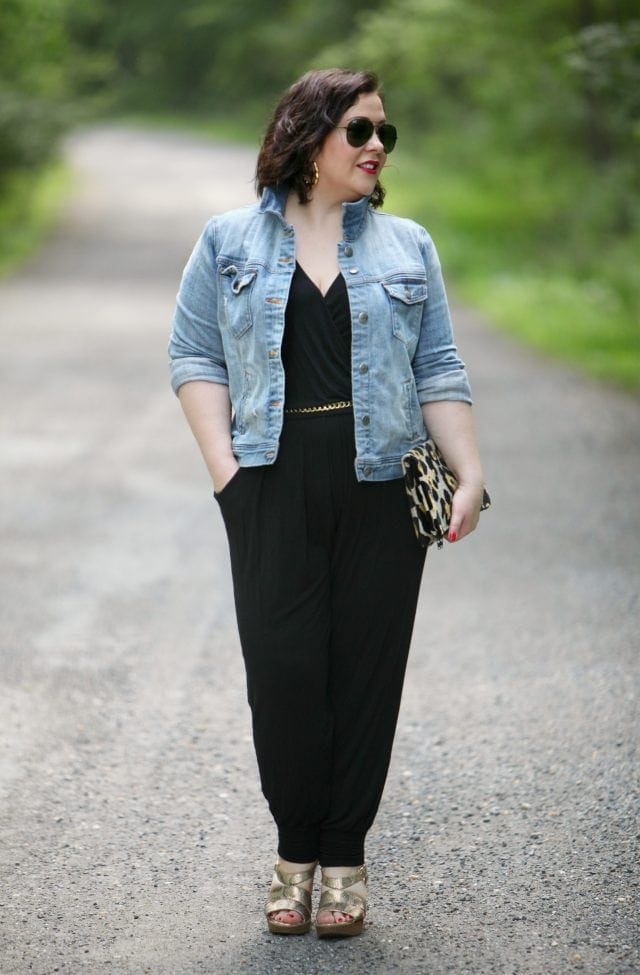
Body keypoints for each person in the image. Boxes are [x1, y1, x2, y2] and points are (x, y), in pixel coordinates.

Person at [168, 68, 486, 938]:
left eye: (385, 132)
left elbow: (439, 370)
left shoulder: (407, 246)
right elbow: (193, 355)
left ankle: (342, 858)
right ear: (308, 137)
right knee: (285, 673)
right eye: (358, 130)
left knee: (366, 672)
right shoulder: (229, 239)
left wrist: (470, 472)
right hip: (270, 481)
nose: (376, 145)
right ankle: (292, 849)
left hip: (381, 487)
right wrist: (225, 471)